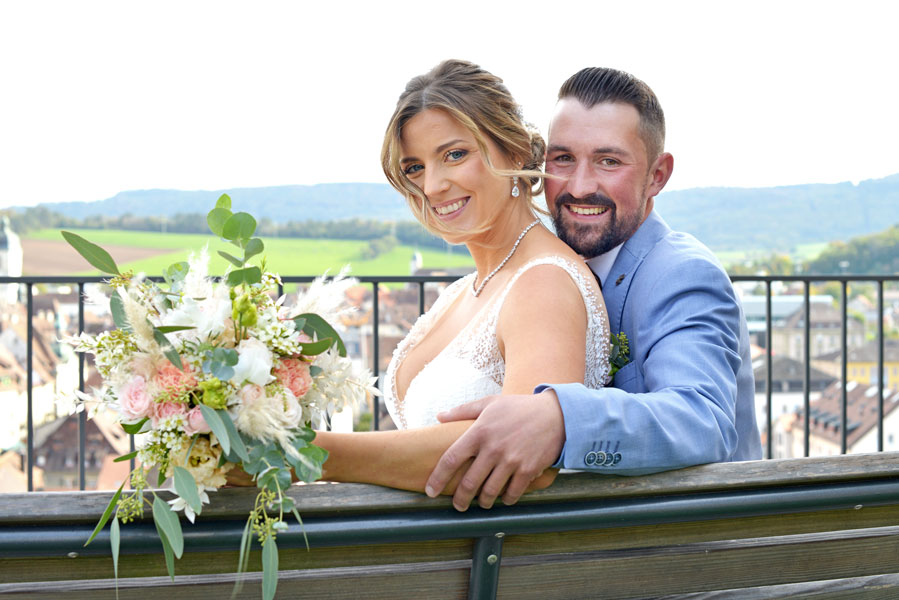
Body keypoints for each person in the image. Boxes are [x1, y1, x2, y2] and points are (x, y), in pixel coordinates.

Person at [226, 60, 610, 495]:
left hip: (491, 556)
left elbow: (528, 456)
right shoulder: (460, 293)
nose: (433, 186)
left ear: (515, 150)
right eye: (415, 168)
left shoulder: (544, 283)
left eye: (454, 155)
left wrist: (305, 454)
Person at [426, 67, 763, 511]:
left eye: (609, 161)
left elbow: (703, 421)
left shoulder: (682, 273)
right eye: (563, 159)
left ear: (658, 175)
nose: (580, 186)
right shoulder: (544, 268)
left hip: (682, 558)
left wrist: (561, 418)